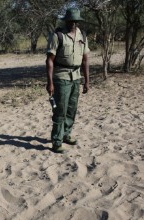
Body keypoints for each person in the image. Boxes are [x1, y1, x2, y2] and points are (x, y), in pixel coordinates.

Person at [46, 8, 90, 153]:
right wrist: (50, 82)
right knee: (60, 110)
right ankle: (56, 141)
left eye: (75, 21)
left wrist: (87, 81)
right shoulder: (58, 36)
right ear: (66, 21)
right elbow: (50, 60)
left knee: (72, 109)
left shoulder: (82, 35)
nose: (73, 23)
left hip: (76, 77)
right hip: (61, 77)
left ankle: (66, 134)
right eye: (70, 21)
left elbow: (85, 60)